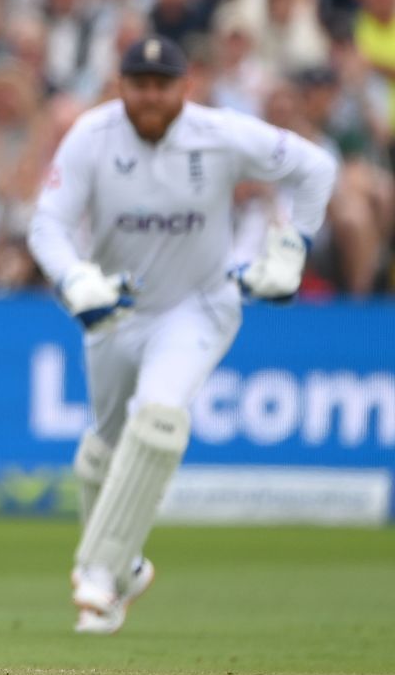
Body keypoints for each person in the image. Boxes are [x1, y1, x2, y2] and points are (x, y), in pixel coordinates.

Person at [27, 36, 336, 635]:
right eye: (138, 84)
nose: (149, 96)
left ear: (184, 87)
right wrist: (74, 278)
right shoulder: (92, 137)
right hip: (116, 308)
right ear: (120, 86)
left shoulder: (218, 134)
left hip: (198, 305)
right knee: (102, 450)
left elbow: (315, 167)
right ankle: (127, 569)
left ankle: (98, 569)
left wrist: (292, 246)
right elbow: (48, 224)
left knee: (160, 419)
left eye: (161, 85)